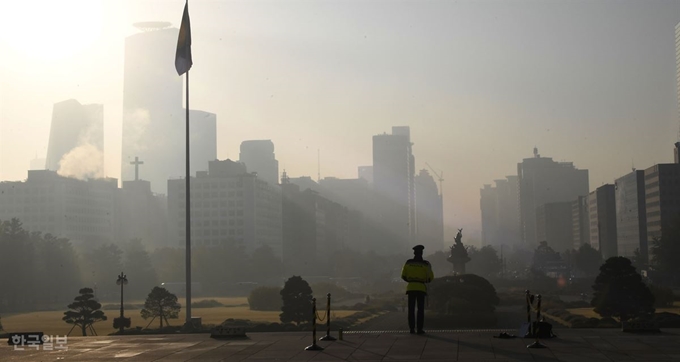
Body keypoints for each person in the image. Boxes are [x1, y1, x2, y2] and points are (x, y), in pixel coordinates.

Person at [401, 245, 434, 334]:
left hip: (411, 288)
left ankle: (411, 328)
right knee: (420, 310)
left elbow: (403, 276)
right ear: (422, 253)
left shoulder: (408, 263)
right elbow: (430, 278)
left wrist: (411, 280)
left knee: (411, 309)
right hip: (421, 288)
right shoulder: (426, 264)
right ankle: (419, 329)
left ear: (414, 253)